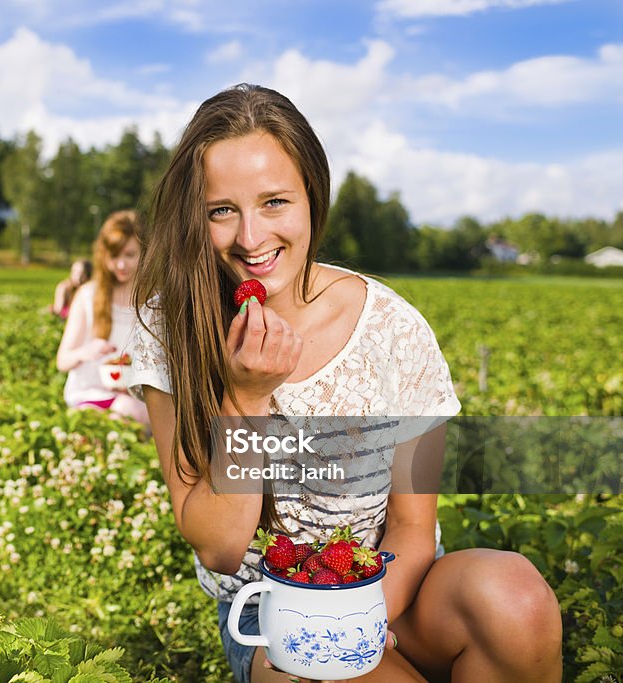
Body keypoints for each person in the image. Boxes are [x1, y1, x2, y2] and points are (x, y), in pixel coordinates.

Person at [129, 84, 561, 683]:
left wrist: (361, 622)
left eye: (275, 202)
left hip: (398, 590)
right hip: (277, 617)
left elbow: (412, 527)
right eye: (221, 210)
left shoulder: (394, 328)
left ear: (313, 196)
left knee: (515, 598)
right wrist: (246, 398)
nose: (251, 238)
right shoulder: (169, 325)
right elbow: (220, 547)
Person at [56, 210, 149, 425]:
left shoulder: (154, 302)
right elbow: (63, 360)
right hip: (89, 396)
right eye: (114, 256)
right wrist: (85, 352)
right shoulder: (88, 295)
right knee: (100, 422)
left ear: (144, 253)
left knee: (129, 409)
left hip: (134, 398)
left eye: (129, 255)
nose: (121, 265)